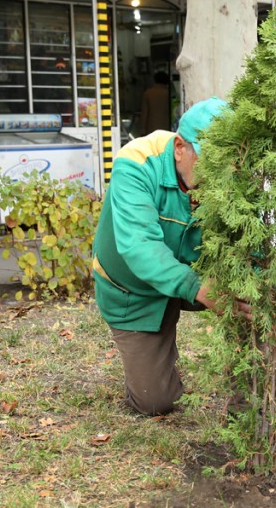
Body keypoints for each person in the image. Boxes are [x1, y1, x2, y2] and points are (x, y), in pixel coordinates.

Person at [92, 97, 249, 416]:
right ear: (180, 147)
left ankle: (249, 404)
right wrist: (200, 290)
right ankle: (155, 373)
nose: (216, 174)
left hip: (195, 274)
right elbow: (140, 248)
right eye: (208, 161)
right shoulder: (136, 162)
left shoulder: (229, 177)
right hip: (132, 290)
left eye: (224, 163)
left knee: (251, 299)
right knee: (156, 402)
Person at [136, 71, 172, 137]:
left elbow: (144, 113)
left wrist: (142, 129)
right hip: (167, 128)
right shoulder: (169, 94)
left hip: (151, 129)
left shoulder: (148, 93)